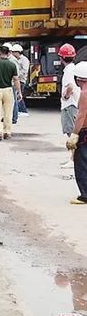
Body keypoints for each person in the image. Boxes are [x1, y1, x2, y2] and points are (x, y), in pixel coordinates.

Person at [66, 61, 87, 205]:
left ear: (79, 79)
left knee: (82, 163)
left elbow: (81, 115)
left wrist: (74, 134)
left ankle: (84, 195)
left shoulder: (84, 94)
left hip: (85, 132)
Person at [60, 44, 79, 138]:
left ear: (61, 58)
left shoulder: (68, 71)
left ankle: (76, 152)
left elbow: (70, 86)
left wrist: (66, 96)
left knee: (71, 133)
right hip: (74, 104)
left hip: (69, 106)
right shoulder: (74, 68)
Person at [11, 44, 30, 117]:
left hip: (21, 80)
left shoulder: (24, 60)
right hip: (17, 79)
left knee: (18, 96)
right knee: (17, 96)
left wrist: (16, 75)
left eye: (14, 52)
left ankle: (23, 110)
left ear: (18, 52)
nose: (12, 53)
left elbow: (24, 71)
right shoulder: (16, 60)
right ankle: (20, 110)